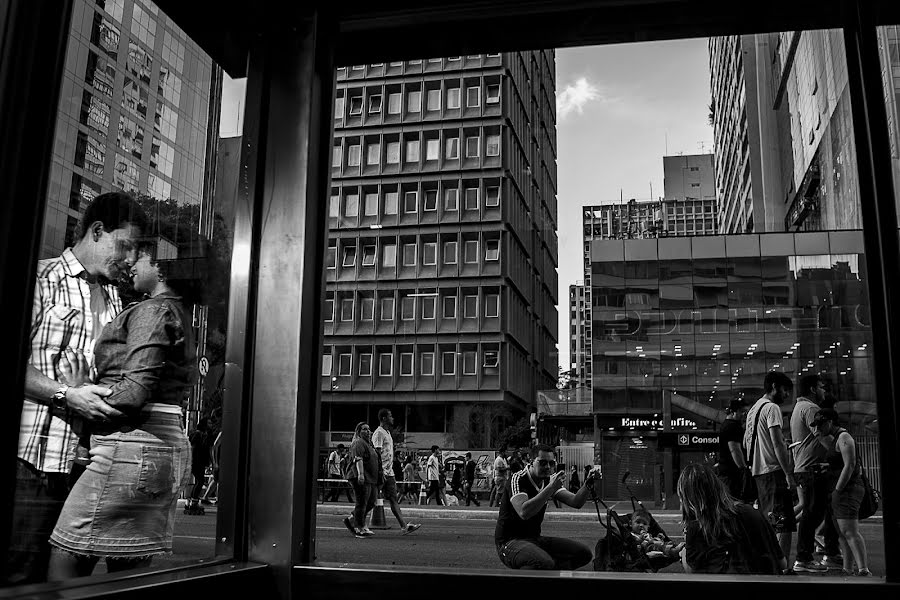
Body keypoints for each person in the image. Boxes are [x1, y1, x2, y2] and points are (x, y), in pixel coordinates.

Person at [3, 192, 146, 586]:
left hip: (86, 469)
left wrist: (95, 389)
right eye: (125, 245)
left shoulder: (116, 301)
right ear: (97, 231)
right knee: (19, 581)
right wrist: (66, 394)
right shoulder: (40, 278)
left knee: (70, 586)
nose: (130, 258)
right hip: (30, 466)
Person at [46, 236, 203, 579]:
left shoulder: (153, 309)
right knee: (129, 566)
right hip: (161, 444)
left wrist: (80, 391)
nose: (131, 263)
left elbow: (134, 393)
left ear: (160, 267)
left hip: (132, 445)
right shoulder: (176, 310)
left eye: (140, 256)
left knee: (67, 553)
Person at [495, 443, 598, 570]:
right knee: (542, 562)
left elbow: (576, 502)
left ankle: (550, 572)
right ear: (531, 462)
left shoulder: (549, 481)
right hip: (509, 542)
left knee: (584, 553)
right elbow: (524, 512)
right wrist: (550, 488)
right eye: (543, 463)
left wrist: (588, 485)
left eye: (551, 463)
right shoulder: (517, 479)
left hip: (534, 539)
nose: (548, 467)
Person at [678, 463, 785, 574]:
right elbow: (782, 563)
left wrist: (684, 553)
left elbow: (692, 571)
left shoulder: (697, 526)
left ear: (686, 498)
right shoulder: (751, 513)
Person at [744, 370, 796, 570]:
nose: (786, 395)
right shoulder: (772, 408)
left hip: (759, 473)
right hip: (774, 472)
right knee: (783, 524)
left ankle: (771, 565)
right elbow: (776, 443)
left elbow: (747, 443)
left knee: (771, 522)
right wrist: (789, 474)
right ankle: (782, 567)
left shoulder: (753, 410)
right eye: (784, 390)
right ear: (774, 386)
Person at [811, 408, 872, 576]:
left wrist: (838, 489)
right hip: (842, 489)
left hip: (847, 489)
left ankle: (863, 569)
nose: (818, 429)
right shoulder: (837, 438)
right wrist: (828, 467)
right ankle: (849, 568)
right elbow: (842, 463)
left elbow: (850, 465)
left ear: (830, 422)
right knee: (843, 533)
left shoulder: (844, 437)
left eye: (820, 425)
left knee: (849, 531)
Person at [790, 374, 840, 572]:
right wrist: (841, 453)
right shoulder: (810, 409)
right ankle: (803, 558)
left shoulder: (798, 408)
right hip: (812, 469)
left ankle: (830, 552)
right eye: (821, 387)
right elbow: (822, 435)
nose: (823, 391)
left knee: (821, 511)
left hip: (806, 468)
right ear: (812, 389)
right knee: (813, 513)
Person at [371, 409, 421, 535]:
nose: (392, 418)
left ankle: (404, 526)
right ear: (383, 418)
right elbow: (377, 453)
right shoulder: (379, 433)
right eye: (390, 416)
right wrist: (380, 471)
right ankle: (354, 520)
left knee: (393, 498)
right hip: (381, 472)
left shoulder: (387, 432)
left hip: (389, 472)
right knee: (371, 499)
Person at [342, 422, 380, 538]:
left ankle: (352, 520)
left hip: (371, 479)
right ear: (358, 431)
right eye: (364, 429)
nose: (368, 431)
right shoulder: (358, 443)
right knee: (362, 503)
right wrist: (361, 474)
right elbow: (358, 459)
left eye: (369, 429)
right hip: (359, 476)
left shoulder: (369, 444)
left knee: (372, 502)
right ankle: (359, 527)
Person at [716, 399, 752, 502]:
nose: (745, 415)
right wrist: (744, 469)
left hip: (726, 473)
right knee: (736, 503)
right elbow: (735, 450)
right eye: (742, 412)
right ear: (733, 412)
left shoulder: (725, 425)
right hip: (732, 474)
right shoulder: (733, 426)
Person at [186, 417, 213, 515]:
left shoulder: (205, 435)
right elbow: (193, 448)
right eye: (208, 423)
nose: (210, 425)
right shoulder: (197, 435)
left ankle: (192, 501)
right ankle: (193, 501)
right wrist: (191, 460)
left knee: (199, 481)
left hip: (200, 461)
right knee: (200, 481)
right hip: (196, 461)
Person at [202, 430, 223, 505]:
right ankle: (217, 499)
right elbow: (215, 446)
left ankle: (206, 497)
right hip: (220, 461)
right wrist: (215, 462)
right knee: (218, 480)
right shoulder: (223, 433)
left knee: (216, 480)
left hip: (221, 460)